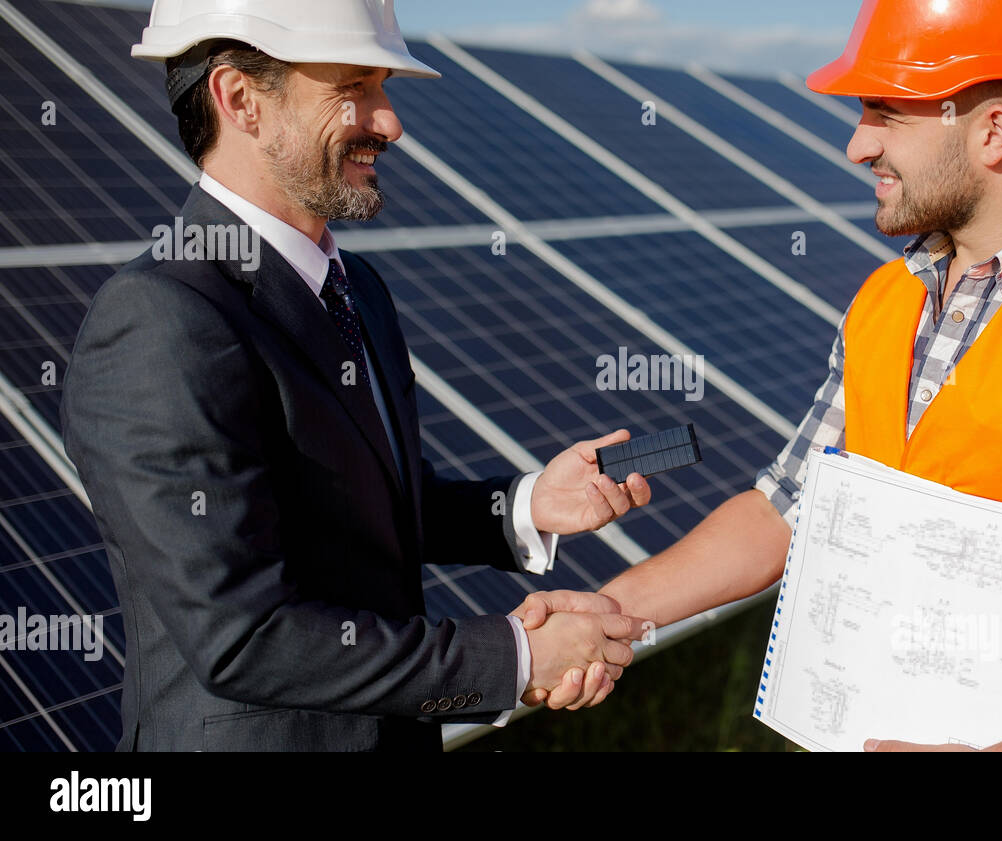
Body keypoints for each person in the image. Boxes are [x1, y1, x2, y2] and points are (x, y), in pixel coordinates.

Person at [533, 0, 1002, 751]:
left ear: (993, 130)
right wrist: (605, 610)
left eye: (885, 114)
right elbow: (789, 509)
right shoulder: (887, 300)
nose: (857, 146)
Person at [60, 0, 646, 751]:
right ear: (240, 99)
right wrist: (521, 656)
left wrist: (526, 505)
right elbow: (246, 633)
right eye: (355, 87)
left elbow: (356, 511)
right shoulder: (159, 320)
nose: (391, 122)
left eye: (384, 89)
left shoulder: (354, 289)